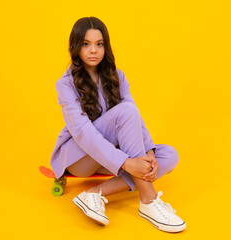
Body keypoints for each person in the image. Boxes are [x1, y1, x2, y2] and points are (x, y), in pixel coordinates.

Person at [50, 16, 186, 233]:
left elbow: (136, 118)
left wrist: (149, 152)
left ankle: (94, 193)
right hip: (80, 157)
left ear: (106, 47)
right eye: (86, 44)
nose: (93, 50)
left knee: (169, 155)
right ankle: (148, 201)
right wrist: (126, 163)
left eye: (99, 44)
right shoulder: (64, 84)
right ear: (75, 48)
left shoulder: (117, 77)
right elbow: (83, 133)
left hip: (109, 156)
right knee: (125, 111)